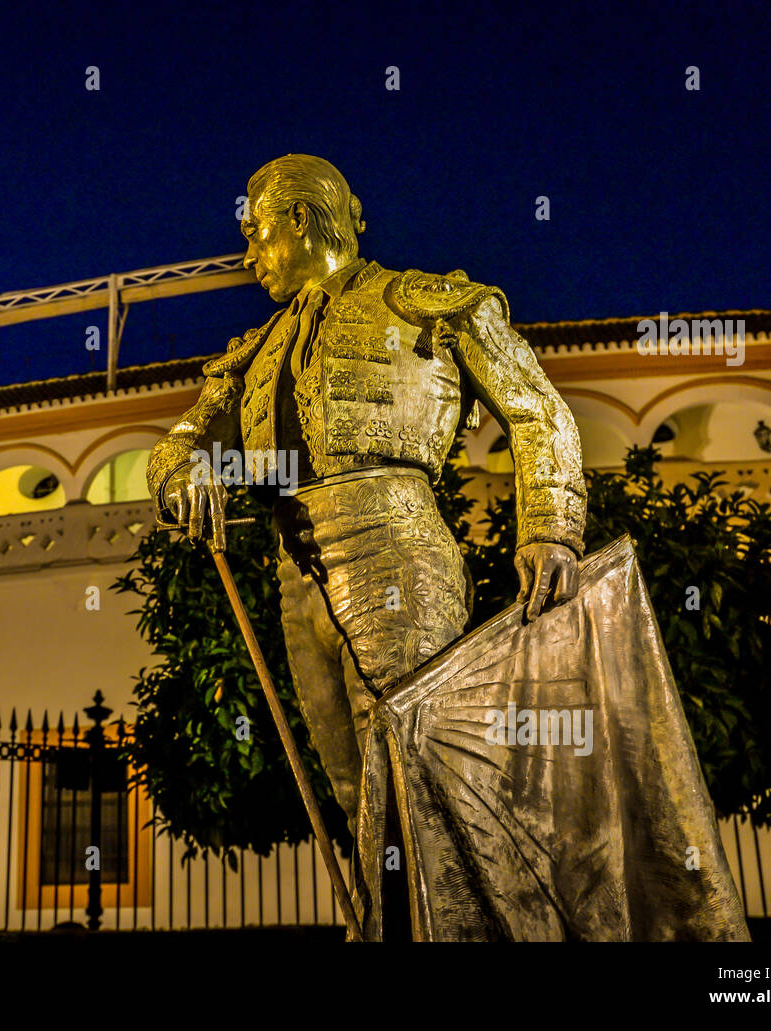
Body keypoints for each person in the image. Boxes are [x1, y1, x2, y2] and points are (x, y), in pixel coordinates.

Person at [147, 154, 586, 831]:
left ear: (299, 217)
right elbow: (180, 442)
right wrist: (183, 475)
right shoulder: (252, 353)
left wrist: (549, 527)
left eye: (255, 232)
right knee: (352, 791)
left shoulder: (426, 301)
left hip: (395, 544)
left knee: (414, 770)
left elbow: (538, 411)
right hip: (297, 570)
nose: (248, 255)